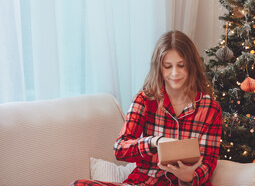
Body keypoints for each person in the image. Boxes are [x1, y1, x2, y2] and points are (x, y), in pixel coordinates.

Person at [71, 30, 222, 186]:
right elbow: (120, 149)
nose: (175, 73)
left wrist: (189, 176)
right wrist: (154, 142)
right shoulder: (145, 100)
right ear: (159, 68)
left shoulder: (210, 109)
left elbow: (208, 163)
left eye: (181, 65)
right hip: (144, 183)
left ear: (191, 66)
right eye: (168, 66)